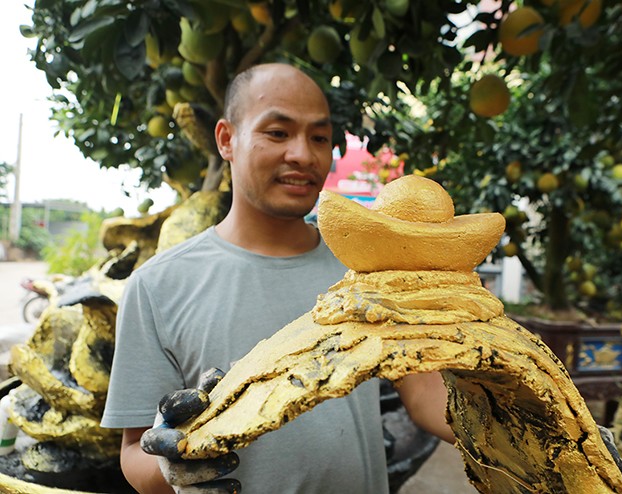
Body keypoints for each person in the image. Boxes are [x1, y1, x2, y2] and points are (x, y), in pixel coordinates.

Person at [101, 62, 453, 494]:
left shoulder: (367, 268)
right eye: (278, 133)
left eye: (319, 137)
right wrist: (173, 466)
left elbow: (426, 396)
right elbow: (135, 452)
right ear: (227, 139)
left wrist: (526, 420)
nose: (303, 155)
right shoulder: (156, 286)